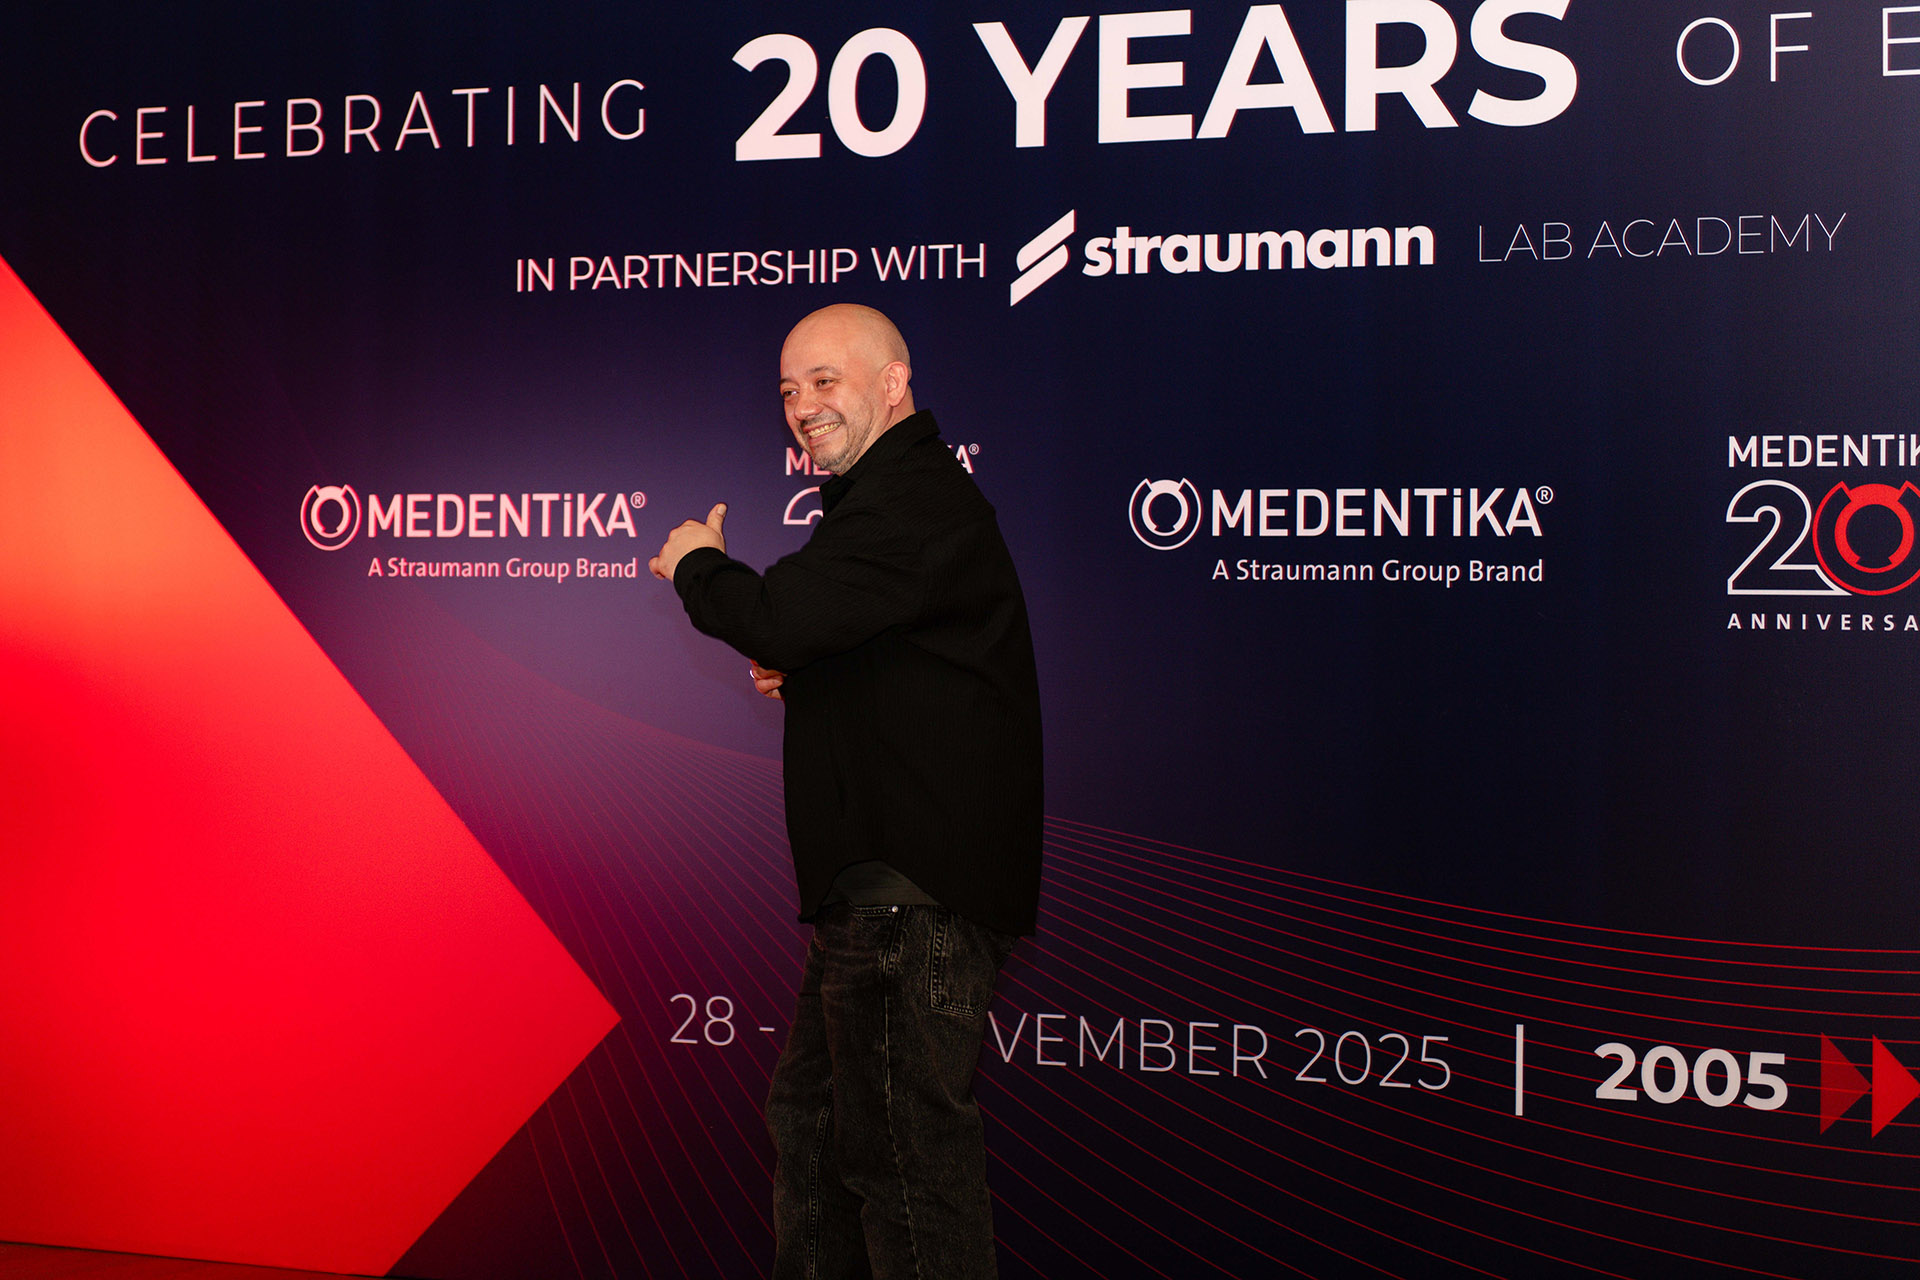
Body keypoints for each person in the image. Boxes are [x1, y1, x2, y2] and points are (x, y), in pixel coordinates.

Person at [648, 304, 1042, 1279]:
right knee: (819, 1133)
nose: (802, 406)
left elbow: (779, 615)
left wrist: (696, 563)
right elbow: (892, 652)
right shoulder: (891, 501)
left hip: (910, 894)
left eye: (825, 380)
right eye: (789, 389)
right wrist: (814, 676)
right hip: (881, 891)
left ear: (893, 384)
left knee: (904, 1165)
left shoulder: (908, 497)